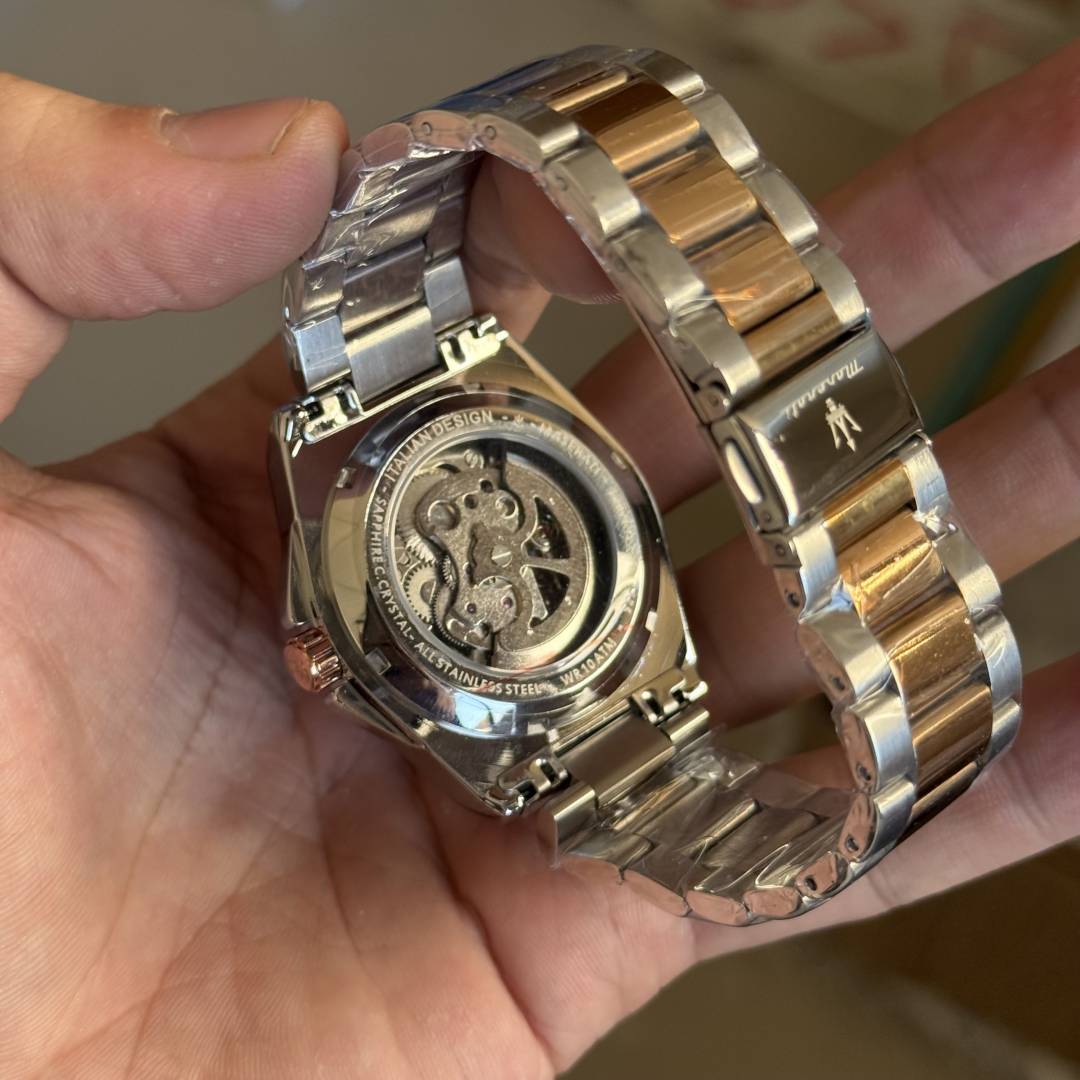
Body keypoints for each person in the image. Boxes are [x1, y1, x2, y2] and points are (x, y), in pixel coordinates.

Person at [0, 42, 1077, 1078]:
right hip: (503, 558)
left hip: (523, 527)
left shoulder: (520, 477)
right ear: (334, 657)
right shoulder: (417, 580)